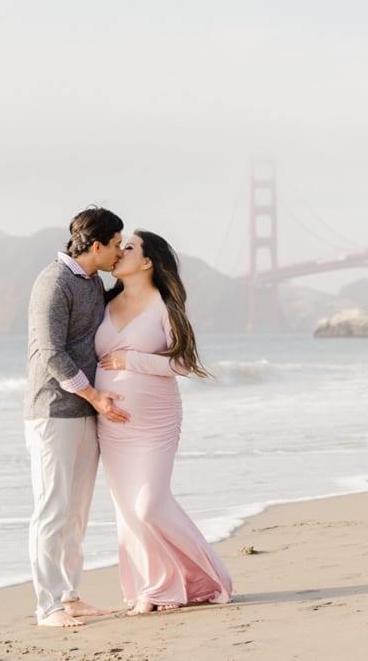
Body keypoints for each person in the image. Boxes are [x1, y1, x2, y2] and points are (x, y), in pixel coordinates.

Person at [95, 229, 232, 614]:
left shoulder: (164, 306)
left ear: (148, 261)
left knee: (150, 506)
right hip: (113, 424)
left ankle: (210, 575)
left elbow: (183, 365)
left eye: (129, 247)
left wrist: (129, 361)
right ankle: (153, 589)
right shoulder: (103, 303)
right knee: (128, 513)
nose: (119, 252)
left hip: (155, 421)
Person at [23, 206, 129, 628]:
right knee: (52, 509)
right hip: (52, 411)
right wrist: (93, 395)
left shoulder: (94, 281)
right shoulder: (54, 281)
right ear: (97, 245)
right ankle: (47, 606)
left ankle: (70, 596)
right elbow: (51, 352)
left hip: (88, 410)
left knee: (78, 511)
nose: (120, 252)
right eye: (117, 245)